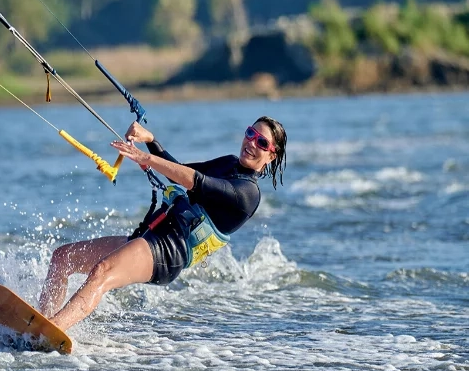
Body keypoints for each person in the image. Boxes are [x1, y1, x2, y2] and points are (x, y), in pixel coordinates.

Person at [38, 116, 287, 331]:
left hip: (170, 251)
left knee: (102, 272)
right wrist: (151, 141)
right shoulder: (228, 163)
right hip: (153, 234)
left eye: (262, 142)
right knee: (63, 258)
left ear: (271, 155)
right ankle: (39, 322)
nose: (252, 142)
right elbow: (178, 170)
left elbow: (196, 181)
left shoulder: (249, 193)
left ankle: (50, 330)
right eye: (250, 133)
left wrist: (145, 157)